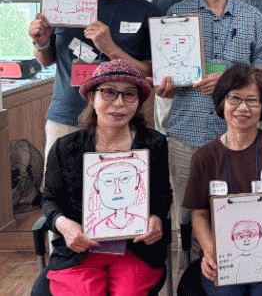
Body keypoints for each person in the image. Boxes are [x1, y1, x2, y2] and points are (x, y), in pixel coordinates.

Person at [156, 0, 262, 234]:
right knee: (188, 213)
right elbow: (165, 71)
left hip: (239, 134)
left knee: (237, 210)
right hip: (187, 131)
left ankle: (234, 259)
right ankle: (194, 261)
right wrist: (165, 86)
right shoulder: (177, 15)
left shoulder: (253, 17)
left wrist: (230, 80)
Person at [28, 0, 161, 168]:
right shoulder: (63, 1)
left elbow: (150, 72)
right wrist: (41, 42)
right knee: (58, 187)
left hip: (119, 121)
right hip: (66, 117)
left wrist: (111, 49)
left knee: (113, 185)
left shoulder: (145, 11)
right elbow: (46, 60)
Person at [41, 59, 172, 296]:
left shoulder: (154, 144)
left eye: (129, 94)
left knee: (128, 292)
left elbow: (163, 195)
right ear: (92, 98)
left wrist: (157, 218)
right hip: (80, 250)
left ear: (138, 101)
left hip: (135, 249)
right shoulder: (66, 148)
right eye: (109, 92)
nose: (119, 103)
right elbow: (49, 199)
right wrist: (64, 225)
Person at [182, 64, 262, 296]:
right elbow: (198, 213)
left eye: (252, 101)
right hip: (223, 254)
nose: (243, 108)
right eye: (235, 99)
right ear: (222, 102)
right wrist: (209, 251)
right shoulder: (205, 156)